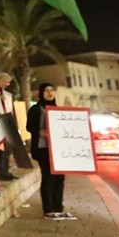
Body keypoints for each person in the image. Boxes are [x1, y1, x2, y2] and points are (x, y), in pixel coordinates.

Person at [27, 83, 76, 220]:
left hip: (58, 149)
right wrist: (40, 131)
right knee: (48, 177)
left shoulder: (58, 110)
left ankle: (58, 208)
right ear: (41, 93)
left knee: (60, 178)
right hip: (43, 149)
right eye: (46, 90)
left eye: (52, 90)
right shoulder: (36, 109)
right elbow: (29, 127)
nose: (49, 93)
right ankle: (48, 210)